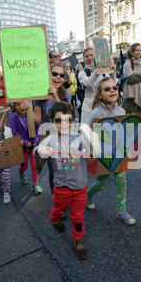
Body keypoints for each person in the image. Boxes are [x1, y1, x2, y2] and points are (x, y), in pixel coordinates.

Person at [34, 102, 98, 260]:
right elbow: (38, 149)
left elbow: (96, 150)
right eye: (58, 120)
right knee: (57, 210)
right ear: (52, 122)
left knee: (77, 216)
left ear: (74, 121)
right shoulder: (51, 138)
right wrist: (41, 151)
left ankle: (79, 239)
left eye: (68, 120)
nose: (64, 124)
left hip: (80, 186)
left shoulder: (80, 136)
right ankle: (54, 219)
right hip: (61, 187)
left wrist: (91, 137)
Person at [86, 77, 136, 225]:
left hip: (119, 153)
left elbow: (126, 131)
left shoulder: (121, 110)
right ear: (99, 94)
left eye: (114, 88)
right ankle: (88, 196)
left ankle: (122, 211)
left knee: (122, 182)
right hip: (102, 155)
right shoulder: (96, 113)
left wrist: (138, 134)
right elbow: (88, 133)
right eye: (107, 89)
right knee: (102, 184)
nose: (112, 91)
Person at [34, 64, 71, 193]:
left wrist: (55, 97)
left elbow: (68, 115)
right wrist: (28, 109)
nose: (57, 77)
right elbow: (37, 120)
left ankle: (67, 196)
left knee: (66, 169)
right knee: (54, 170)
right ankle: (57, 202)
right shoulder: (39, 96)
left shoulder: (66, 94)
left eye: (61, 75)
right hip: (48, 137)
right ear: (48, 75)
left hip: (65, 137)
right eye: (54, 74)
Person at [11, 99, 42, 195]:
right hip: (22, 146)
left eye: (24, 104)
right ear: (14, 107)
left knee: (34, 165)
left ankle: (35, 184)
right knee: (24, 165)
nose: (21, 106)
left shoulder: (31, 114)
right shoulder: (14, 117)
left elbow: (37, 128)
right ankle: (21, 173)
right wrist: (24, 142)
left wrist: (36, 140)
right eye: (18, 104)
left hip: (33, 145)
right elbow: (15, 132)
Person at [78, 47, 117, 124]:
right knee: (88, 132)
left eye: (91, 55)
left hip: (103, 106)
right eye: (86, 56)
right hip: (89, 108)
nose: (89, 58)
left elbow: (112, 84)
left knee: (103, 133)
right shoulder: (82, 73)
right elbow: (88, 83)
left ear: (95, 56)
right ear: (84, 59)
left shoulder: (104, 71)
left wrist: (113, 72)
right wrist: (98, 69)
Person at [0, 116, 14, 204]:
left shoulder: (8, 130)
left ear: (5, 122)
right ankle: (0, 185)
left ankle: (6, 193)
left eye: (3, 122)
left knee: (5, 177)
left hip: (6, 159)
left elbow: (12, 142)